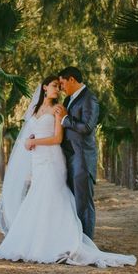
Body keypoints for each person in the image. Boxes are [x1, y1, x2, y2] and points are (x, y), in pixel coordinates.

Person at [0, 75, 136, 267]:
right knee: (37, 197)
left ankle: (61, 243)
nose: (57, 89)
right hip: (38, 159)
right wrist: (31, 138)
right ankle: (35, 241)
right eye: (54, 86)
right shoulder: (34, 109)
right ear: (44, 88)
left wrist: (35, 142)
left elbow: (57, 138)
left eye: (59, 87)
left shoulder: (58, 109)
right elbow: (32, 130)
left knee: (53, 196)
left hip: (52, 158)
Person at [56, 66, 99, 239]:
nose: (61, 87)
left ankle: (87, 244)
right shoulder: (68, 100)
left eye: (62, 83)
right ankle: (74, 241)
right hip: (68, 158)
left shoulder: (90, 99)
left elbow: (87, 127)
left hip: (82, 159)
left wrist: (66, 119)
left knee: (83, 205)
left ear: (72, 79)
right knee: (72, 203)